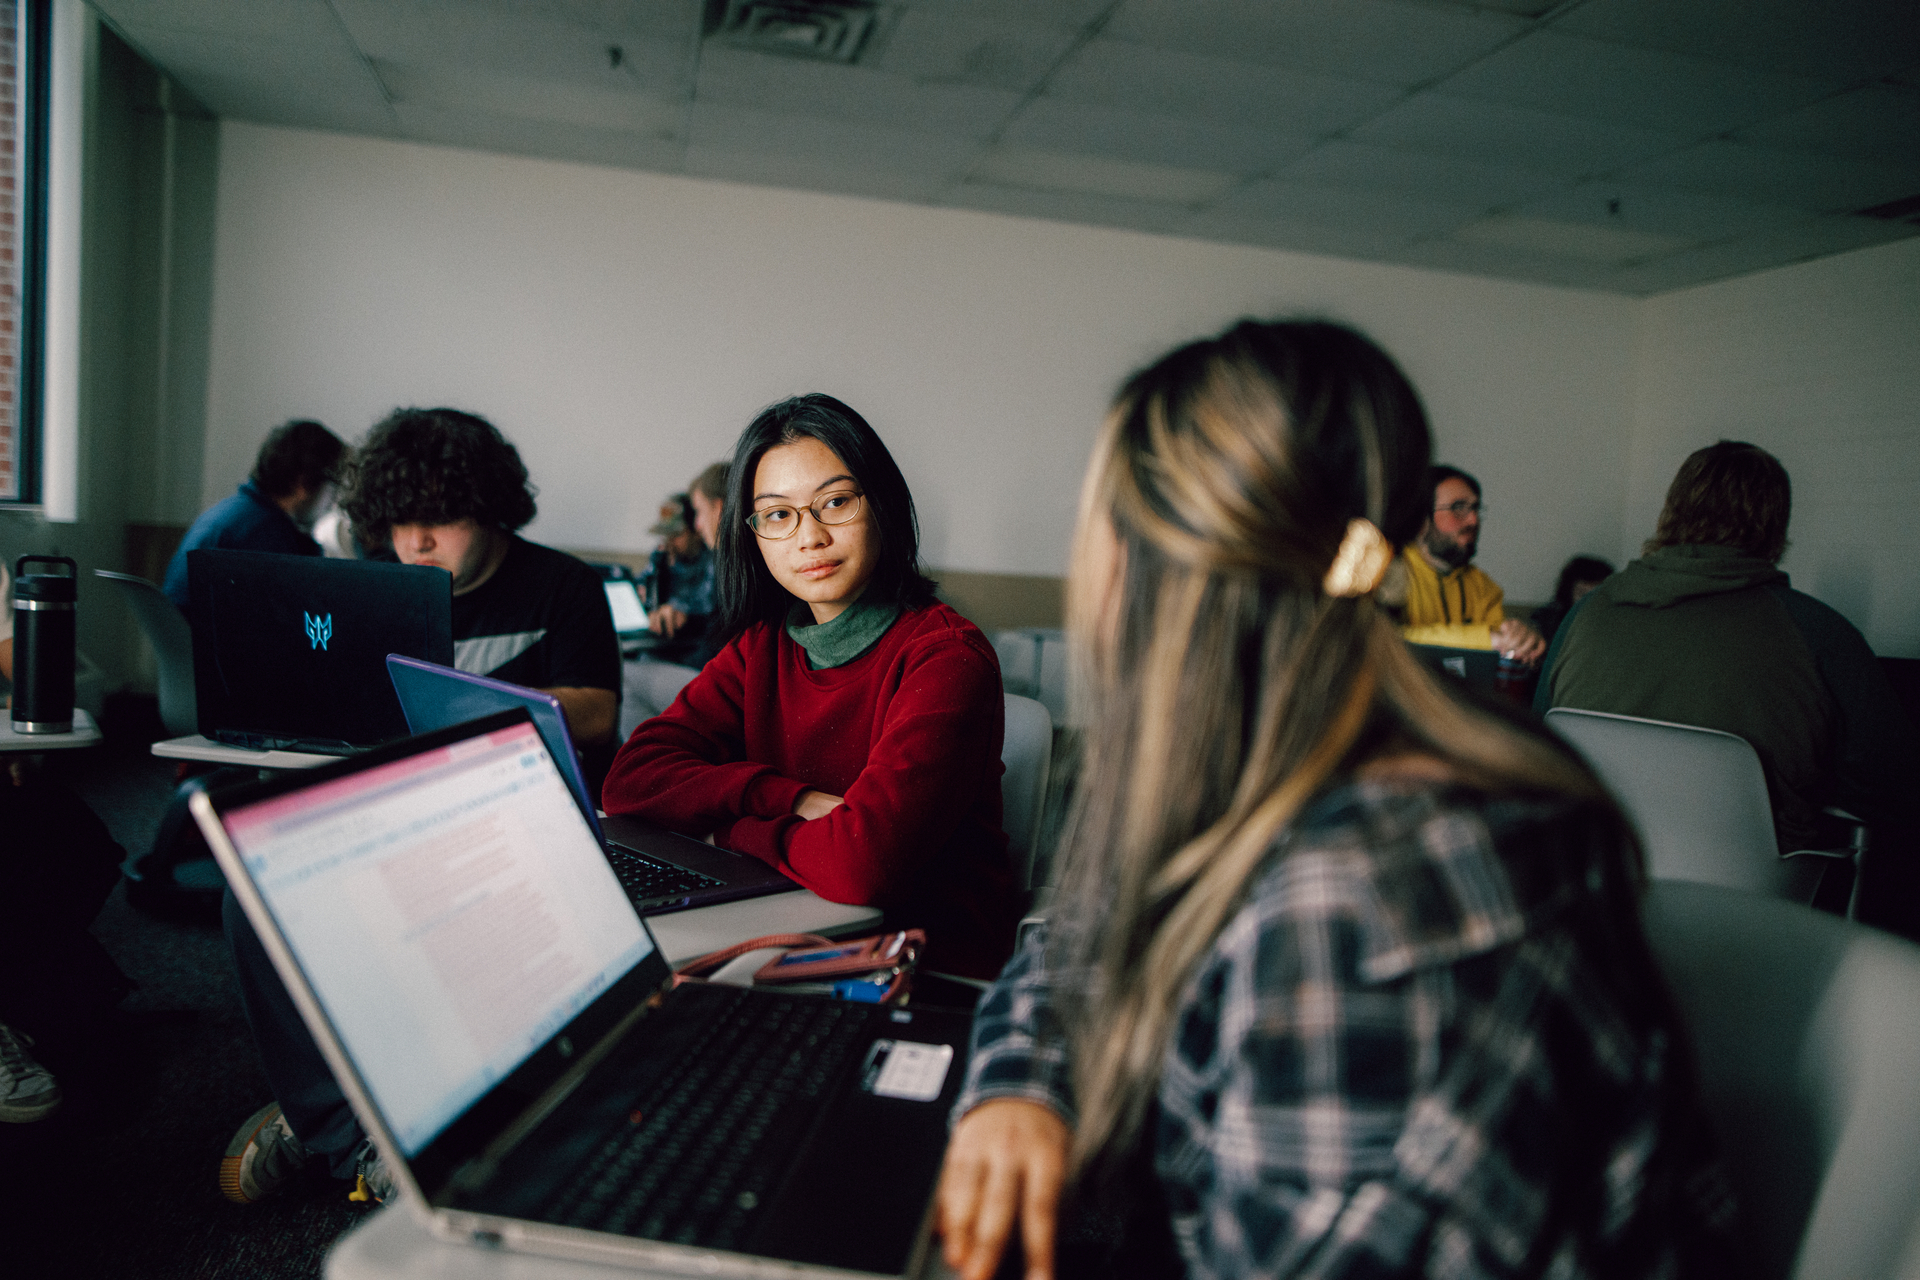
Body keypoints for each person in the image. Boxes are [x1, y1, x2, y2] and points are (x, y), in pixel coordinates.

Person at [936, 320, 1734, 1280]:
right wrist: (1023, 1089)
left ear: (1152, 570)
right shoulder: (1255, 764)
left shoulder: (1363, 899)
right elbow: (1081, 939)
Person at [218, 407, 623, 1205]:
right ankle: (347, 1128)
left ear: (491, 507)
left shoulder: (564, 585)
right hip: (389, 804)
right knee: (250, 882)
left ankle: (331, 1122)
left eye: (437, 521)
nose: (415, 545)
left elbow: (600, 713)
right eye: (398, 524)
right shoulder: (375, 581)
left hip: (515, 815)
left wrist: (463, 702)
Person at [602, 394, 1019, 980]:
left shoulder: (945, 658)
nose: (810, 537)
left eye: (836, 502)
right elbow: (631, 779)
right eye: (778, 514)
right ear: (752, 534)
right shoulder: (761, 646)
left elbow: (861, 865)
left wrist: (722, 828)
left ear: (883, 506)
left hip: (923, 970)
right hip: (786, 937)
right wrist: (784, 799)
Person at [1540, 440, 1918, 936]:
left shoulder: (1585, 616)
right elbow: (1896, 791)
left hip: (1600, 879)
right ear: (1775, 526)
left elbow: (1543, 744)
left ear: (1671, 510)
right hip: (1755, 903)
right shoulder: (1818, 632)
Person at [162, 419, 346, 609]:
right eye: (333, 488)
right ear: (304, 483)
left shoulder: (232, 512)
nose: (333, 502)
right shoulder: (265, 533)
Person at [1395, 464, 1545, 664]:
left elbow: (1502, 648)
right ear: (1422, 518)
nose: (1473, 520)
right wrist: (1484, 639)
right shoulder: (1390, 571)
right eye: (1458, 508)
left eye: (1475, 508)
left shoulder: (1484, 588)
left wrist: (1524, 640)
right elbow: (1390, 639)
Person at [623, 462, 730, 734]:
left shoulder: (718, 559)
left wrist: (682, 613)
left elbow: (710, 608)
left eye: (677, 535)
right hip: (677, 656)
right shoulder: (664, 557)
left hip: (703, 668)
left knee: (622, 676)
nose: (669, 542)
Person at [1531, 554, 1614, 644]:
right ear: (1568, 592)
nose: (1589, 602)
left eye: (1596, 595)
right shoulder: (1547, 619)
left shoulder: (1611, 620)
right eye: (1583, 595)